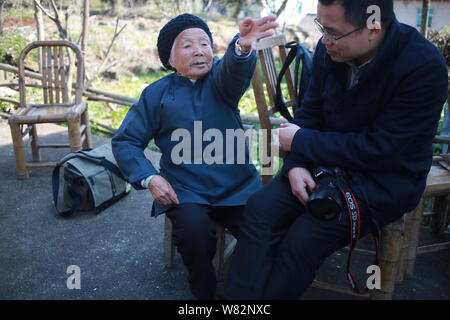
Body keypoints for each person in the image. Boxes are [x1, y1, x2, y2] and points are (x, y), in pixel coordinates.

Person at [224, 0, 448, 299]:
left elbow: (382, 149)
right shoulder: (329, 51)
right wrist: (296, 165)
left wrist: (302, 142)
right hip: (321, 166)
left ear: (373, 27)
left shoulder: (423, 67)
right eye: (321, 27)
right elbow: (310, 113)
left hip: (381, 181)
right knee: (260, 211)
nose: (324, 40)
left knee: (303, 238)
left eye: (332, 32)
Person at [111, 13, 278, 300]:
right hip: (186, 190)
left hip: (237, 185)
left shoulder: (222, 83)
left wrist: (242, 49)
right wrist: (150, 177)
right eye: (187, 45)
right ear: (170, 59)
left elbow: (235, 70)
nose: (199, 50)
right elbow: (126, 140)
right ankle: (204, 291)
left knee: (264, 232)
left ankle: (242, 294)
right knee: (194, 235)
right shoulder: (155, 94)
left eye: (204, 43)